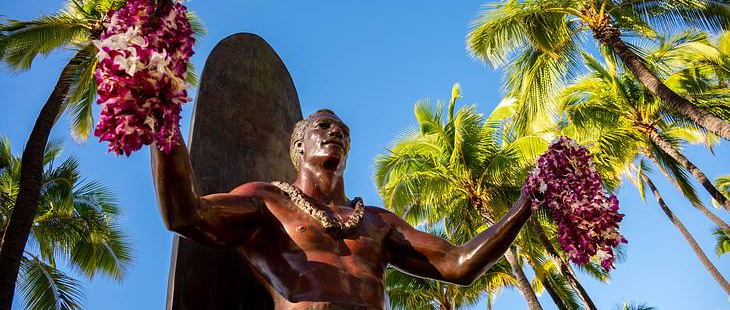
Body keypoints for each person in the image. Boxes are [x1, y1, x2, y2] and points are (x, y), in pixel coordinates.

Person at [151, 109, 537, 309]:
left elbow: (459, 264)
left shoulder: (377, 221)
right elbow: (187, 215)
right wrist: (159, 115)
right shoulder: (267, 201)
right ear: (299, 146)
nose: (336, 132)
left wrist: (526, 204)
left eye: (343, 132)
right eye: (324, 127)